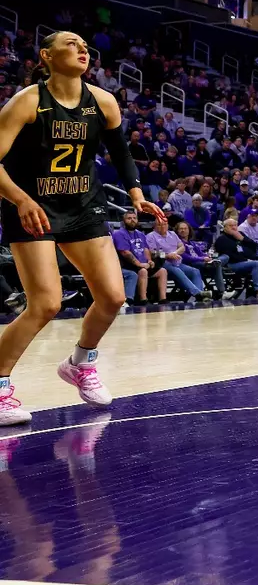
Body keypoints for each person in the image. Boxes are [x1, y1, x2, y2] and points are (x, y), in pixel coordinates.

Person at [0, 30, 167, 426]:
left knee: (112, 297)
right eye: (71, 44)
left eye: (85, 47)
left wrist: (136, 193)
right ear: (46, 55)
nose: (82, 50)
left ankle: (80, 363)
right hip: (34, 209)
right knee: (46, 304)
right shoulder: (26, 102)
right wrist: (21, 199)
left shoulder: (103, 101)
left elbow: (121, 152)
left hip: (83, 206)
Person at [213, 218, 258, 297]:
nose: (234, 227)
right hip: (232, 264)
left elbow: (255, 247)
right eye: (231, 226)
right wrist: (246, 259)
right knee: (256, 264)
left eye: (235, 225)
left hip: (247, 261)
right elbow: (229, 255)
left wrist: (243, 239)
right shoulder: (221, 239)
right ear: (225, 227)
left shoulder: (240, 234)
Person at [148, 215, 206, 302]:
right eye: (159, 225)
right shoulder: (151, 236)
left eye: (164, 224)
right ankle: (197, 293)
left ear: (167, 225)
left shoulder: (173, 234)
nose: (162, 226)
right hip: (162, 264)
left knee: (195, 271)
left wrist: (175, 253)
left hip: (177, 262)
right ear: (155, 226)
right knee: (176, 270)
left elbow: (182, 247)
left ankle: (198, 297)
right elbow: (152, 253)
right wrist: (168, 255)